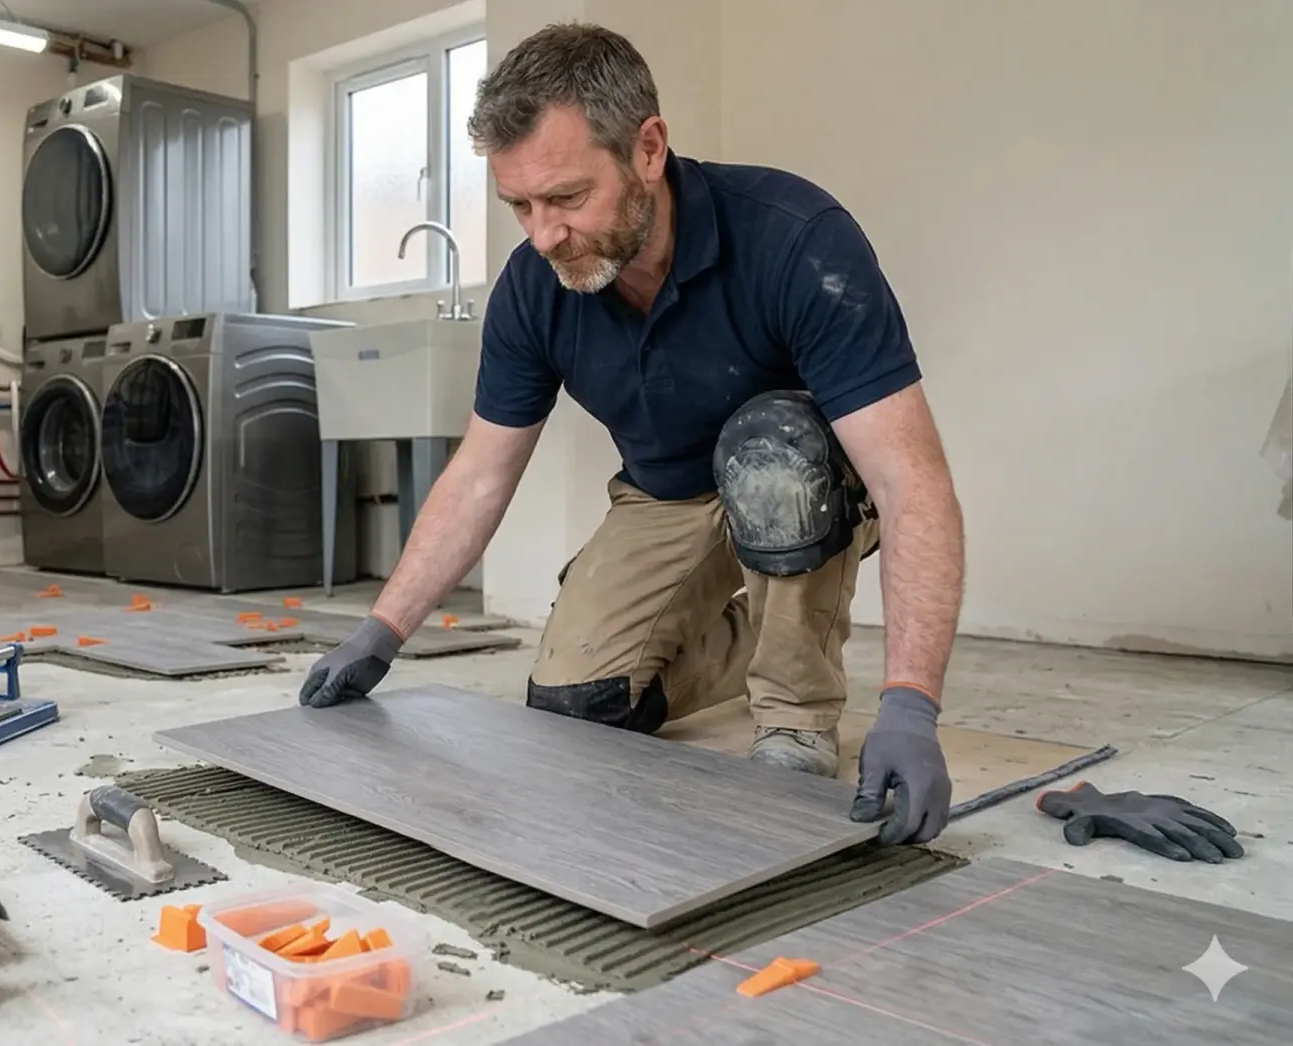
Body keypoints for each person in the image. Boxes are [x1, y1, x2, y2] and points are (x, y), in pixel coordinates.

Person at [295, 22, 967, 847]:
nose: (542, 234)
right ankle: (767, 627)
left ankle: (794, 711)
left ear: (648, 148)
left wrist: (911, 702)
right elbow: (479, 475)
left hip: (803, 478)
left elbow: (911, 479)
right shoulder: (534, 289)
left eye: (568, 198)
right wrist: (381, 631)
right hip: (666, 492)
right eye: (519, 206)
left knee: (775, 455)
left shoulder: (795, 238)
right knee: (577, 705)